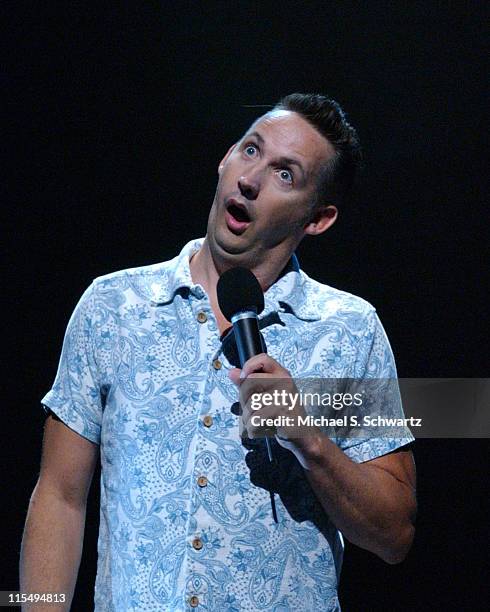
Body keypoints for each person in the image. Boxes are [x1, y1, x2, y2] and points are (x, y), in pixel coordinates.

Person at [20, 93, 416, 611]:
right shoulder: (114, 306)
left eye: (285, 175)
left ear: (318, 219)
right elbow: (59, 497)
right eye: (251, 151)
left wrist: (309, 440)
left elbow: (395, 534)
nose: (251, 179)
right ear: (226, 157)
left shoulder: (350, 330)